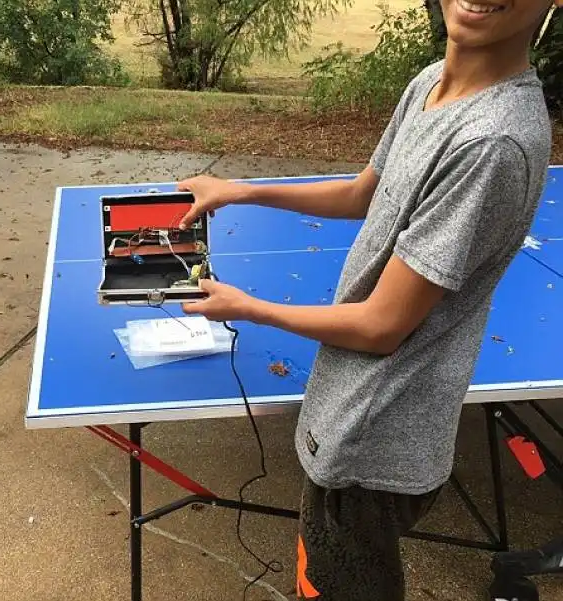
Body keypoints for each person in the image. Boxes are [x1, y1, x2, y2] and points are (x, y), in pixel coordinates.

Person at [175, 0, 559, 598]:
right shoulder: (430, 82)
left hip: (375, 434)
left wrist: (248, 307)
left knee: (341, 583)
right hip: (353, 409)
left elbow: (382, 325)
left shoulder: (492, 142)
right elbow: (363, 193)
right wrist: (242, 189)